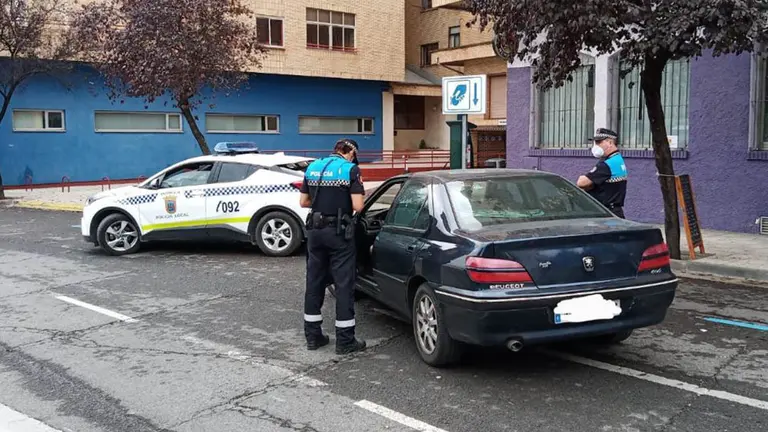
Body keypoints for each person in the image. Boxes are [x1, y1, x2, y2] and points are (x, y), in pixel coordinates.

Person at [299, 138, 366, 354]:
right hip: (338, 233)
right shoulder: (350, 170)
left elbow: (304, 202)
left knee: (314, 281)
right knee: (344, 283)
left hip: (315, 231)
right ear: (352, 153)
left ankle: (313, 336)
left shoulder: (313, 167)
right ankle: (345, 341)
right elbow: (358, 205)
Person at [576, 128, 628, 218]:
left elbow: (581, 183)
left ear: (610, 143)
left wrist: (588, 183)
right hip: (614, 211)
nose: (596, 146)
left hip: (607, 213)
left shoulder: (607, 164)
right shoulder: (617, 159)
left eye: (599, 142)